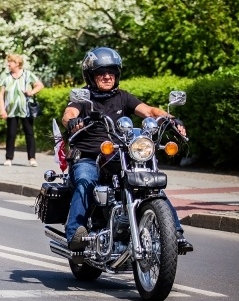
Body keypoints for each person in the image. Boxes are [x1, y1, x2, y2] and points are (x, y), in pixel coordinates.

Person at [61, 47, 193, 253]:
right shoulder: (84, 97)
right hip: (89, 157)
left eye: (111, 72)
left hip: (119, 155)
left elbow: (149, 111)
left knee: (150, 183)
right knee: (86, 182)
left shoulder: (123, 97)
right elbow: (69, 113)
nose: (107, 76)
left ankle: (174, 233)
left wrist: (170, 119)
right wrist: (73, 121)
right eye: (101, 73)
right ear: (91, 75)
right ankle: (75, 232)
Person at [0, 53, 43, 167]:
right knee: (11, 134)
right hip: (11, 110)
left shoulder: (27, 75)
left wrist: (31, 92)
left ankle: (32, 158)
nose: (8, 64)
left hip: (26, 109)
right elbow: (1, 94)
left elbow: (39, 85)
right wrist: (2, 109)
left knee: (29, 133)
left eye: (10, 62)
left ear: (17, 63)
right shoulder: (7, 78)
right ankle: (9, 158)